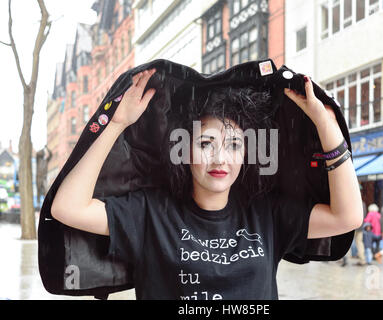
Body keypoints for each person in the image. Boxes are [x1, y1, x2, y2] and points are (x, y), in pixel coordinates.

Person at [50, 69, 363, 299]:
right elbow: (67, 208)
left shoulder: (267, 214)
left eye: (234, 146)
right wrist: (117, 123)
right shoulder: (150, 213)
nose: (220, 158)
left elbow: (346, 217)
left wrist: (324, 125)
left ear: (245, 157)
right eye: (206, 143)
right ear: (184, 151)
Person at [353, 198, 367, 266]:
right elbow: (364, 215)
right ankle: (362, 260)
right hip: (360, 226)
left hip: (352, 226)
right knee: (359, 243)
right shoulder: (363, 203)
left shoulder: (352, 201)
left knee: (345, 241)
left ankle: (343, 259)